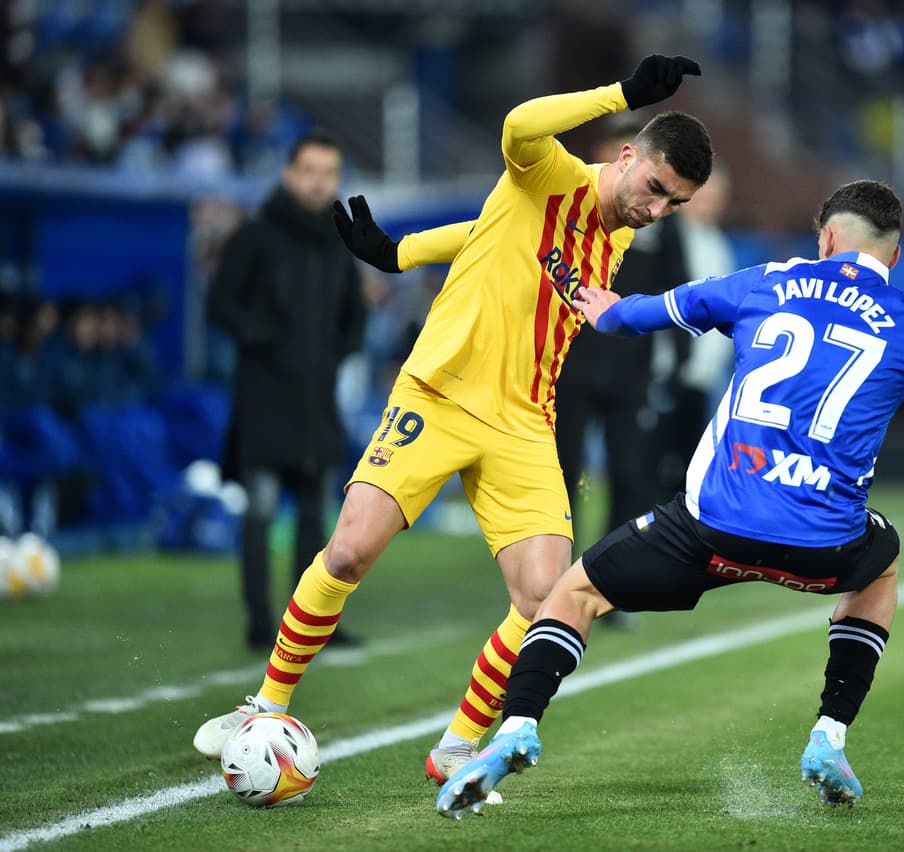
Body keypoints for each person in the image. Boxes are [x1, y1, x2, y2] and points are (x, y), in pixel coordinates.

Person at [434, 180, 904, 818]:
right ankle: (829, 737)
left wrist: (603, 307)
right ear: (890, 258)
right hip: (823, 543)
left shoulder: (768, 281)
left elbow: (638, 316)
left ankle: (521, 725)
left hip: (710, 527)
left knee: (574, 592)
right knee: (883, 562)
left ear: (827, 239)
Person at [193, 57, 714, 796]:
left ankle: (457, 745)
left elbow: (491, 230)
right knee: (346, 552)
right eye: (656, 189)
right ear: (626, 155)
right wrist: (622, 93)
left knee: (545, 598)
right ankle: (266, 706)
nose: (657, 210)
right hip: (438, 393)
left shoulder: (619, 236)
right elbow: (518, 124)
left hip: (525, 421)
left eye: (675, 205)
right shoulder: (548, 171)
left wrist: (402, 251)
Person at [207, 130, 367, 650]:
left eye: (329, 173)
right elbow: (220, 306)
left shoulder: (337, 243)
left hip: (315, 400)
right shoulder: (255, 236)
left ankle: (315, 626)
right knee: (259, 511)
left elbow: (354, 317)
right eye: (310, 171)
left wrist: (333, 355)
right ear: (289, 175)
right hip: (264, 400)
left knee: (317, 519)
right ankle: (259, 626)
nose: (320, 182)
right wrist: (266, 339)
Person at [555, 114, 691, 629]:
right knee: (561, 478)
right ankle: (553, 585)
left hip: (631, 371)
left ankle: (608, 588)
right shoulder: (573, 206)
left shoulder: (657, 222)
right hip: (570, 366)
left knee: (630, 477)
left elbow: (677, 289)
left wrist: (676, 360)